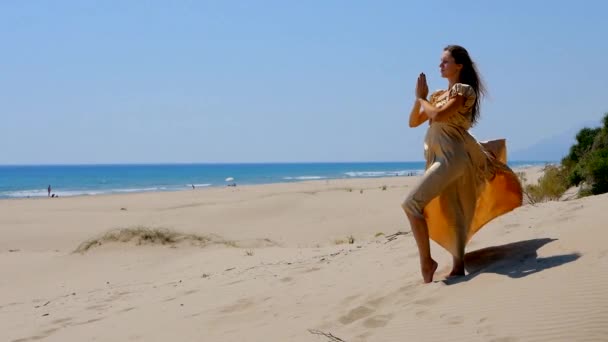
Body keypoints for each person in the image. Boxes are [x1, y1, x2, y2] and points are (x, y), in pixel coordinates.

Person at [402, 45, 523, 283]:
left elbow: (438, 116)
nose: (440, 65)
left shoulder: (463, 91)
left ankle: (427, 263)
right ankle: (458, 267)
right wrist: (421, 100)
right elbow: (413, 122)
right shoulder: (437, 96)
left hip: (452, 157)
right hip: (440, 157)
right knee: (453, 210)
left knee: (411, 204)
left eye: (445, 62)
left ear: (459, 66)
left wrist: (421, 98)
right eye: (440, 62)